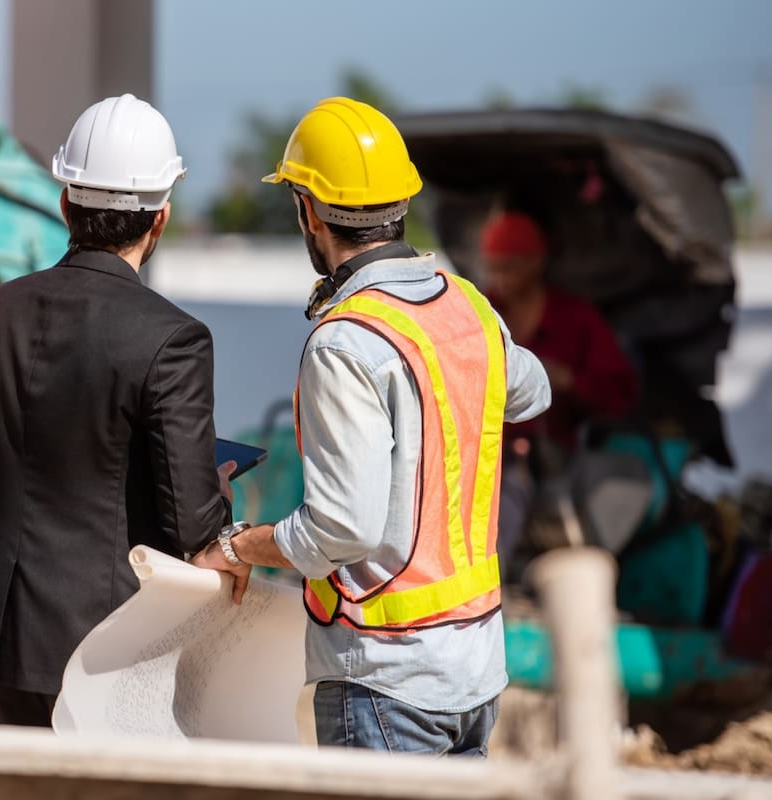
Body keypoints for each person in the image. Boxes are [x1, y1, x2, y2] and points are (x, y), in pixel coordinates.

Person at [192, 97, 551, 755]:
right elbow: (532, 390)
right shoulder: (466, 303)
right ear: (401, 204)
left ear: (308, 210)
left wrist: (240, 544)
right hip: (475, 673)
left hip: (389, 683)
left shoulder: (347, 341)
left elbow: (342, 529)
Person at [0, 94, 233, 727]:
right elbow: (192, 526)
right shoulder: (173, 339)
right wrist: (218, 490)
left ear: (65, 202)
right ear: (162, 218)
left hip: (2, 649)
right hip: (115, 657)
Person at [479, 210, 639, 454]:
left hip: (565, 456)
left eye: (509, 268)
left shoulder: (576, 317)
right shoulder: (480, 313)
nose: (500, 279)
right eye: (493, 269)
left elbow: (620, 393)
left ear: (537, 260)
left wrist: (568, 380)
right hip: (492, 454)